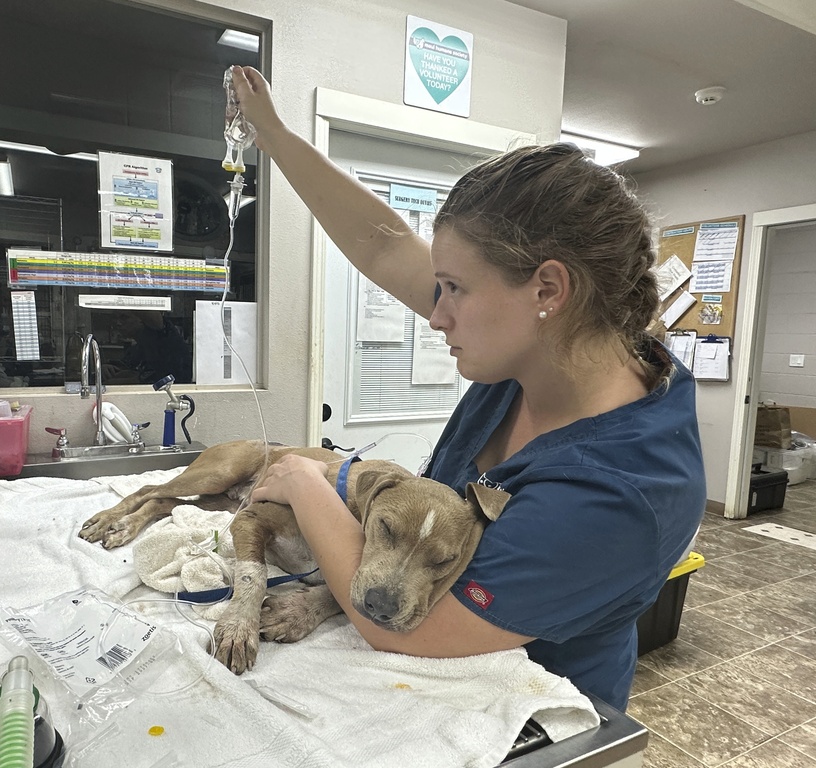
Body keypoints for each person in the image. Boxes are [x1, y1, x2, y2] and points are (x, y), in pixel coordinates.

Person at [232, 65, 706, 712]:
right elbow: (385, 244)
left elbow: (406, 623)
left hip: (524, 723)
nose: (435, 313)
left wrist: (306, 482)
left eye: (454, 288)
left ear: (547, 290)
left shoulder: (624, 490)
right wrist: (276, 137)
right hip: (433, 694)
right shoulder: (540, 349)